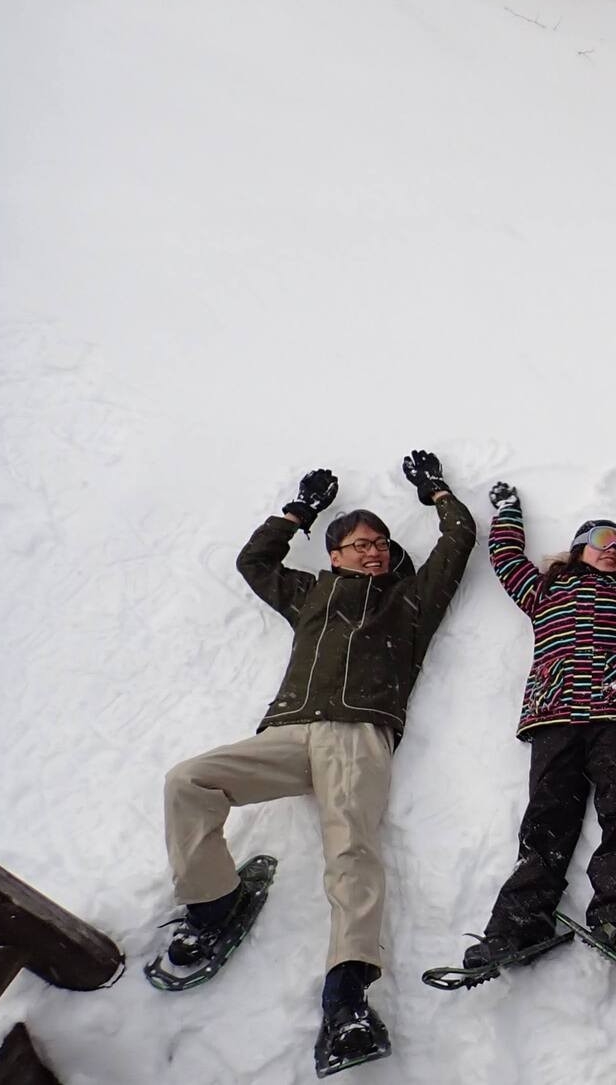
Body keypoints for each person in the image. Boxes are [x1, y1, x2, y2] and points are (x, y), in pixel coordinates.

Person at [156, 451, 475, 1072]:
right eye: (358, 544)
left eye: (380, 543)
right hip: (288, 732)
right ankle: (212, 905)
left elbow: (458, 540)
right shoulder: (311, 593)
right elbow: (253, 562)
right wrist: (299, 511)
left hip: (358, 737)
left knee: (351, 851)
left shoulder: (411, 602)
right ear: (333, 555)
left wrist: (437, 492)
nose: (373, 552)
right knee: (188, 780)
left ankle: (347, 999)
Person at [457, 457, 616, 976]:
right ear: (578, 549)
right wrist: (507, 512)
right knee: (548, 821)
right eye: (602, 542)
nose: (613, 551)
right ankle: (518, 924)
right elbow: (505, 558)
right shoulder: (544, 590)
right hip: (557, 717)